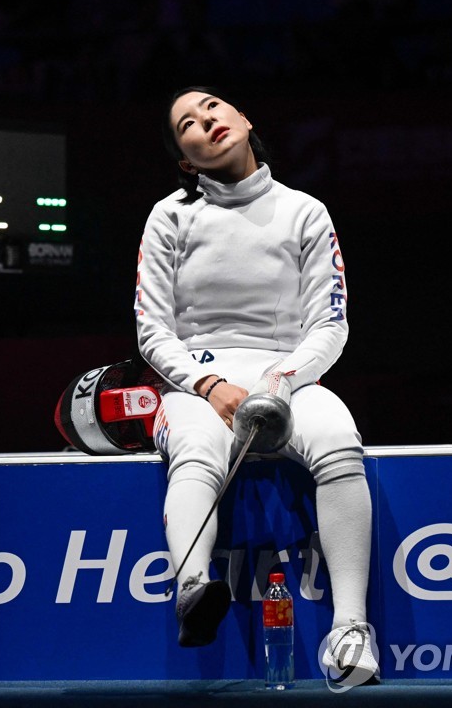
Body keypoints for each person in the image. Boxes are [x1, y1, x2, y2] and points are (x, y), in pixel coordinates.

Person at [135, 86, 379, 682]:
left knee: (340, 438)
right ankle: (194, 588)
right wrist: (209, 383)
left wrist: (282, 380)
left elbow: (330, 322)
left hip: (287, 375)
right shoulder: (171, 216)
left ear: (244, 119)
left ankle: (351, 632)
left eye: (213, 107)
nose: (205, 121)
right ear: (185, 160)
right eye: (187, 123)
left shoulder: (304, 211)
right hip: (198, 381)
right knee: (196, 448)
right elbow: (151, 330)